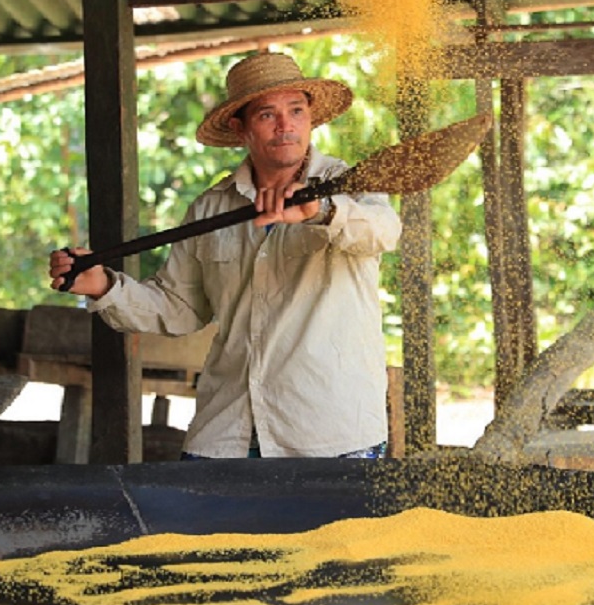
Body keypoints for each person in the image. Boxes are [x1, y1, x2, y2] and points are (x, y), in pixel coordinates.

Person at [49, 52, 401, 459]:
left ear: (311, 118)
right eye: (268, 114)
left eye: (297, 111)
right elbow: (180, 309)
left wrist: (317, 211)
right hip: (225, 432)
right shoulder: (211, 208)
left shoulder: (350, 186)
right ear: (240, 128)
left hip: (331, 433)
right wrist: (104, 287)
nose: (286, 125)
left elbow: (384, 232)